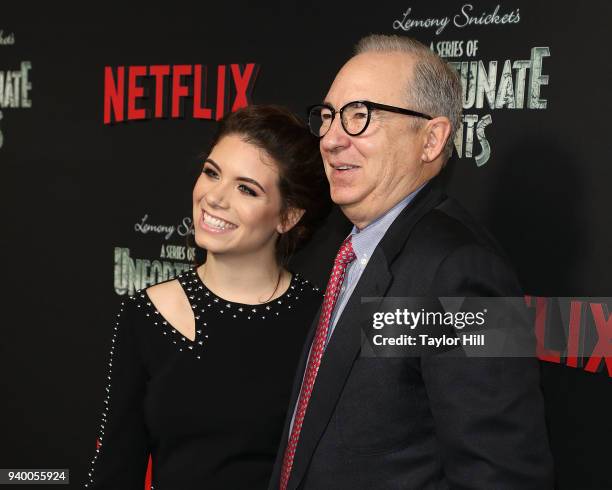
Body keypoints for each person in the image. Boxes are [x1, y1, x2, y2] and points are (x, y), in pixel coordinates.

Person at [269, 35, 554, 489]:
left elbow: (503, 475)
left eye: (361, 116)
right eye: (327, 117)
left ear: (431, 138)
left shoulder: (465, 271)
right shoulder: (349, 250)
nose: (332, 139)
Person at [84, 105, 331, 489]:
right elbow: (116, 469)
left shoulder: (321, 322)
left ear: (288, 217)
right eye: (212, 173)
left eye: (246, 188)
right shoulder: (146, 314)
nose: (215, 198)